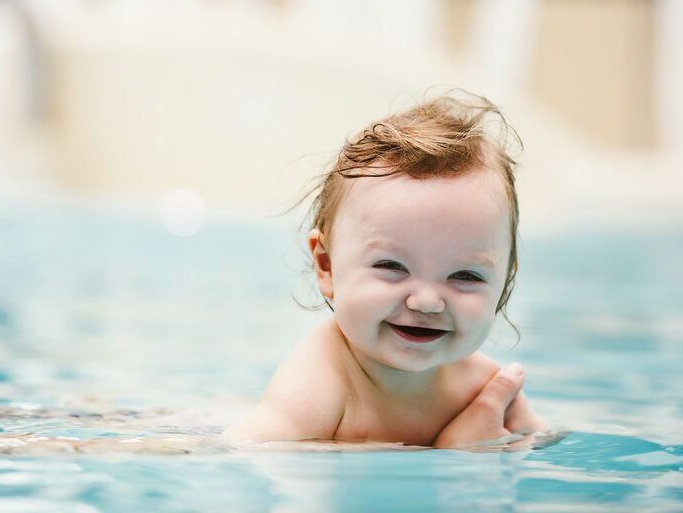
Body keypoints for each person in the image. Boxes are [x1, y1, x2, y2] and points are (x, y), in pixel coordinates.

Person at [223, 90, 549, 448]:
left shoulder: (486, 392)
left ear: (505, 282)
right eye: (392, 266)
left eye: (465, 276)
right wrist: (457, 455)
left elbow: (548, 455)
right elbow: (236, 456)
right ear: (327, 266)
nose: (426, 302)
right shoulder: (317, 390)